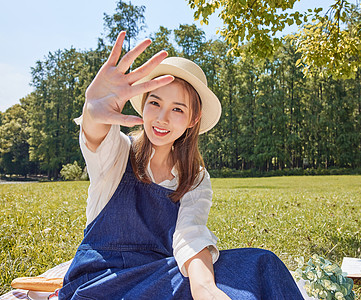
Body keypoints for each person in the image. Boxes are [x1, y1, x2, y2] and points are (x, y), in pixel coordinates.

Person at [60, 31, 303, 300]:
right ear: (143, 105)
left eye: (177, 109)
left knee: (261, 265)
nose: (162, 118)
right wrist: (92, 110)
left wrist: (204, 289)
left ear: (192, 119)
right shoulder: (118, 153)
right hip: (102, 282)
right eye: (155, 102)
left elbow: (191, 234)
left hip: (161, 279)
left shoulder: (194, 178)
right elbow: (95, 136)